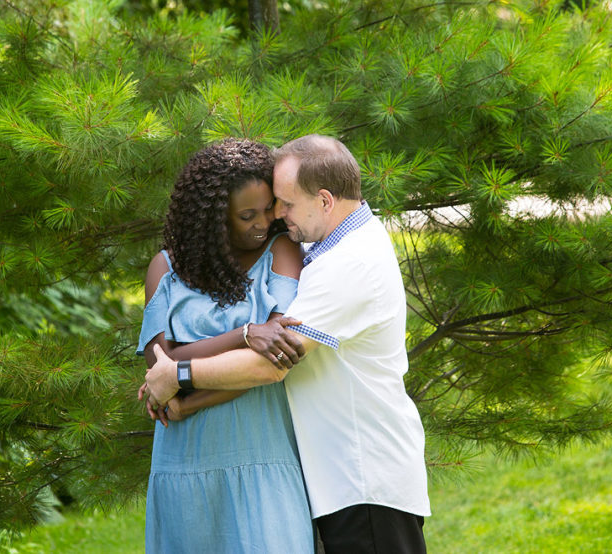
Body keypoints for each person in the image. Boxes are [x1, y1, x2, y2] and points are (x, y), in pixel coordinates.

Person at [144, 134, 431, 554]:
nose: (277, 216)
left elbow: (271, 365)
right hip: (346, 480)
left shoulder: (348, 264)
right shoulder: (335, 244)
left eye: (287, 204)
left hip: (364, 480)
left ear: (326, 201)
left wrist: (177, 379)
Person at [136, 138, 314, 554]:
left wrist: (188, 400)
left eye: (269, 208)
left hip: (263, 454)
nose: (263, 222)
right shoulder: (165, 268)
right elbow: (160, 368)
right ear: (214, 220)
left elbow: (273, 364)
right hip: (184, 465)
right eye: (247, 215)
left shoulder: (282, 251)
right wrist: (246, 334)